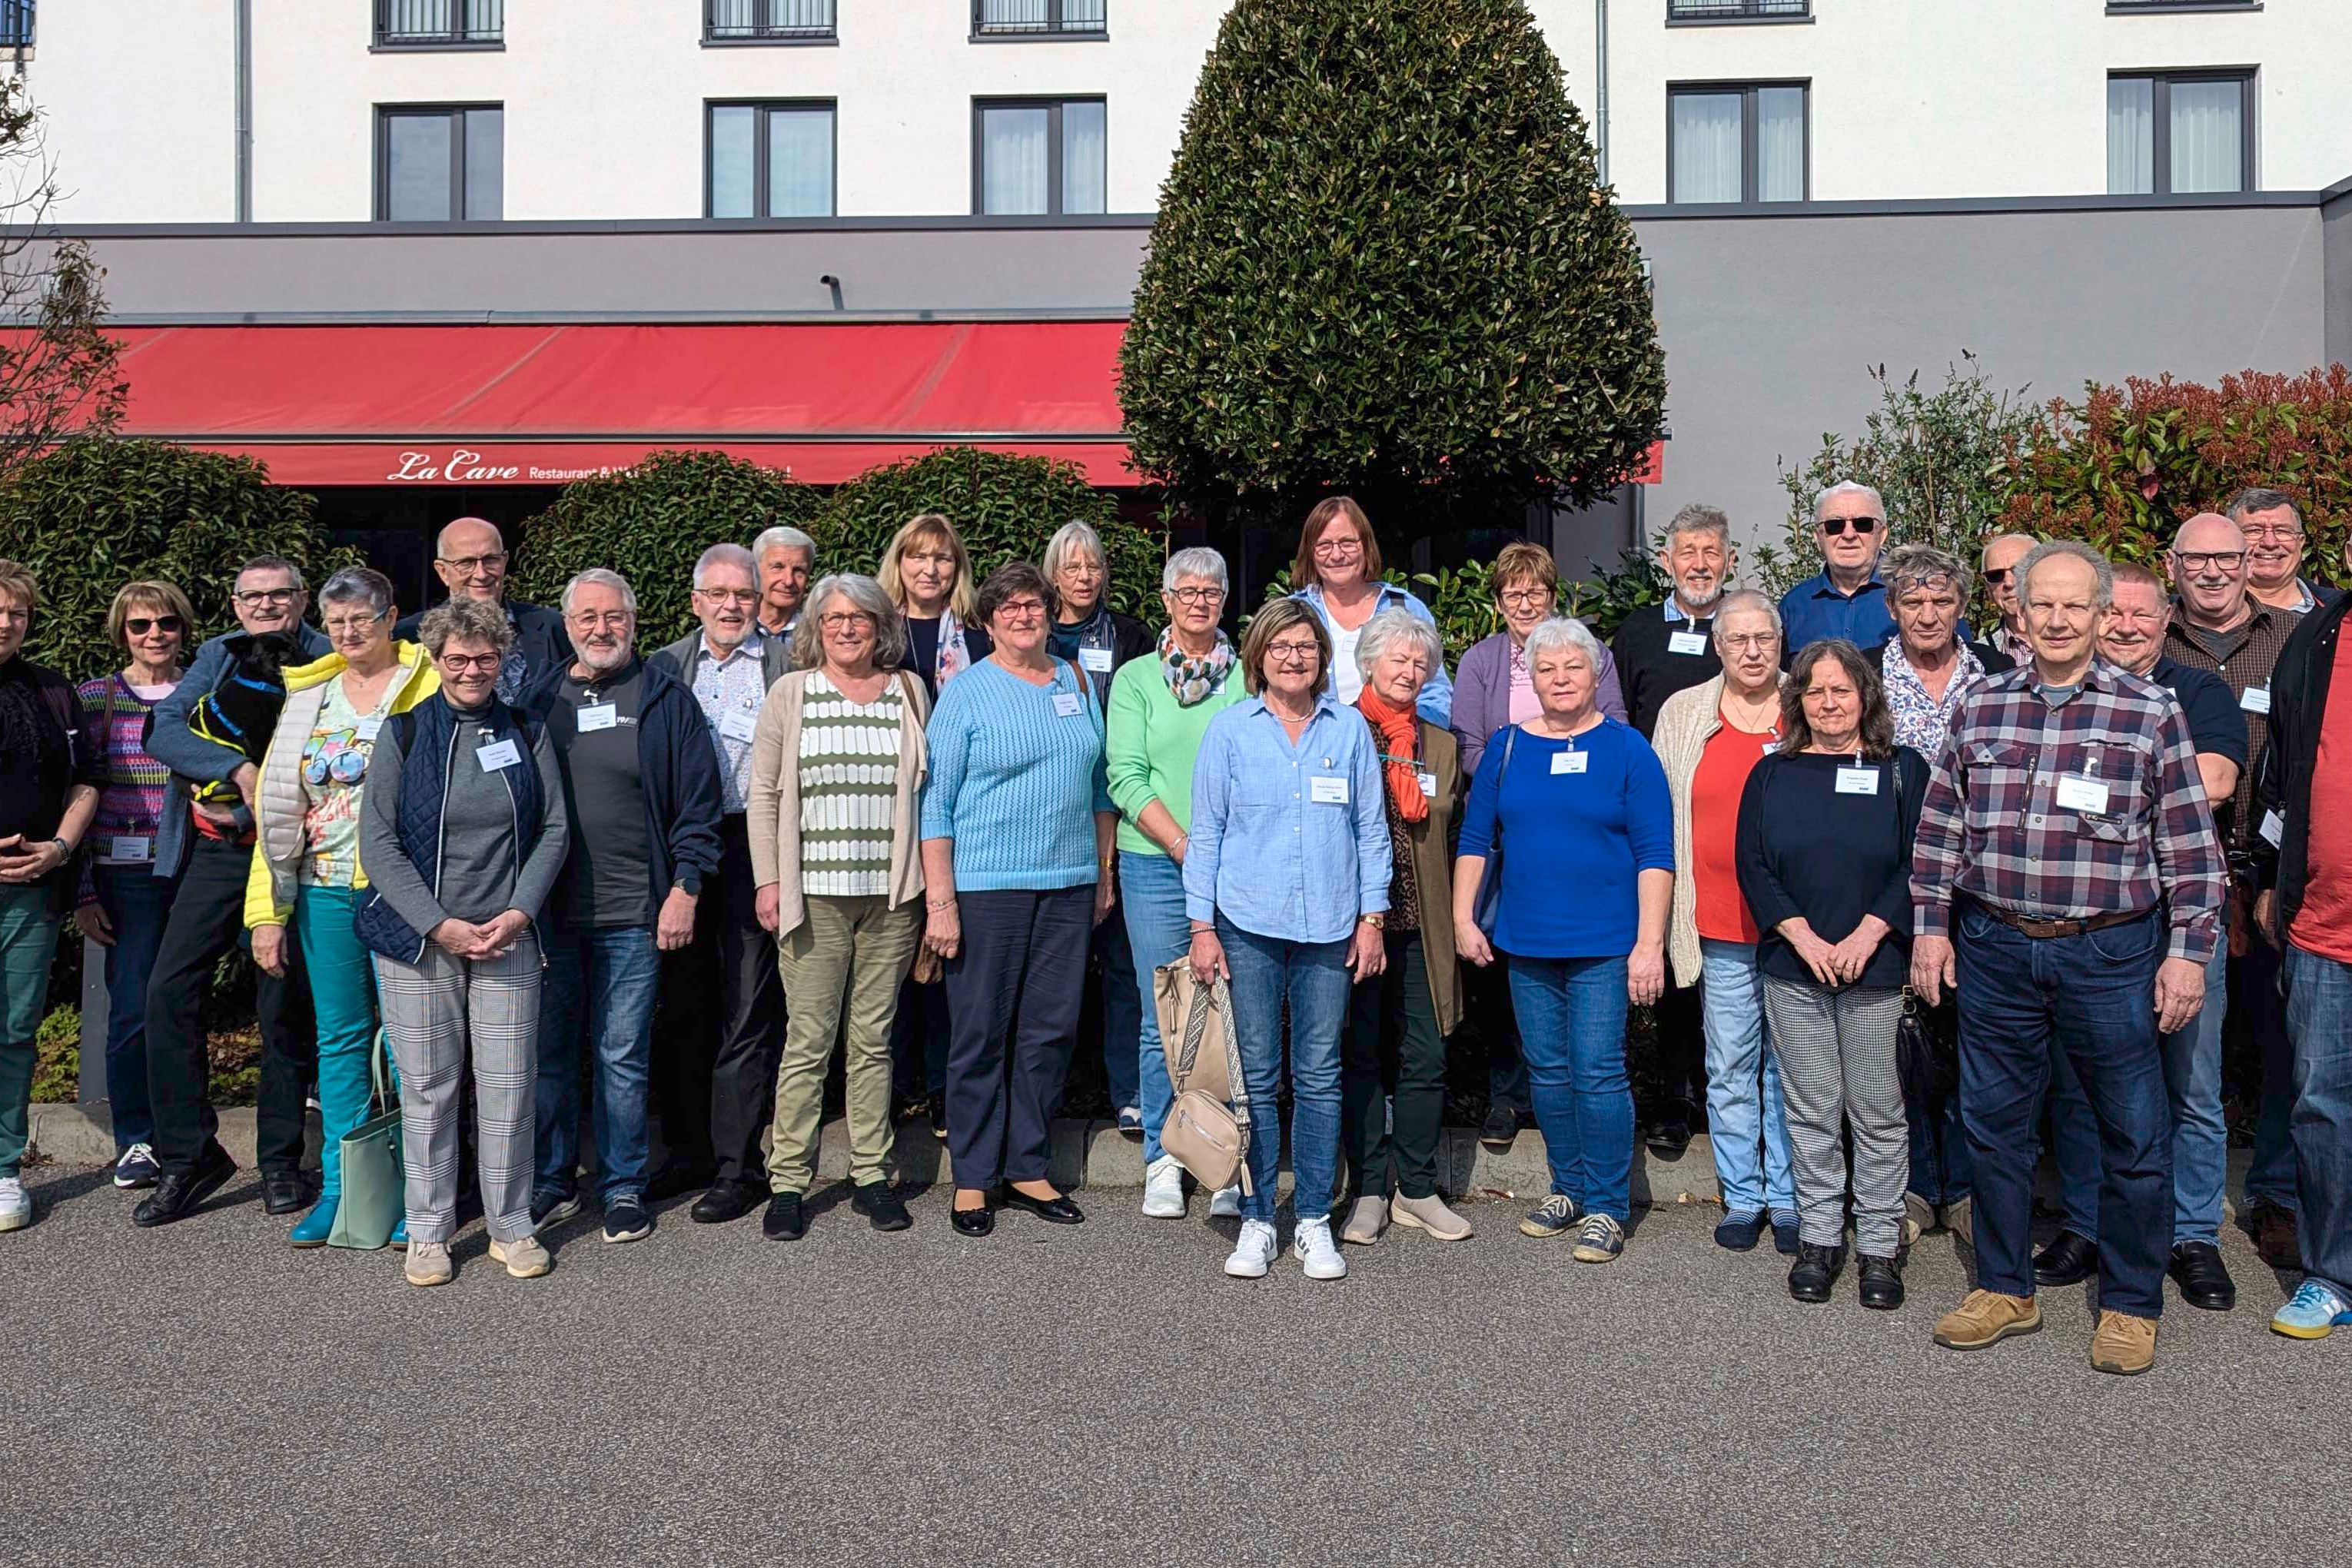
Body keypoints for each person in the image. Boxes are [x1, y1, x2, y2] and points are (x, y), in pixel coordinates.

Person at [1913, 540, 2225, 1377]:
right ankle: (2007, 1288)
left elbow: (2193, 852)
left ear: (2100, 616)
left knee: (2132, 1131)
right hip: (1996, 945)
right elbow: (1943, 825)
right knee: (1995, 1126)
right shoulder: (1981, 706)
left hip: (2111, 952)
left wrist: (2188, 955)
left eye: (2074, 606)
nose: (2055, 619)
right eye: (2039, 604)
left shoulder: (2148, 711)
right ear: (2016, 610)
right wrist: (1932, 927)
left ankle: (2129, 1302)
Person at [2040, 561, 2247, 1311]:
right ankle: (2089, 1224)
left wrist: (2124, 776)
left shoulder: (2198, 692)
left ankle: (2192, 1235)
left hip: (2180, 919)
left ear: (2167, 622)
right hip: (2090, 924)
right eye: (2114, 615)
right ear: (2096, 619)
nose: (2126, 627)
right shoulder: (2067, 697)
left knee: (2189, 1084)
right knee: (2082, 1083)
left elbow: (2217, 782)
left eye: (2142, 616)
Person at [356, 597, 569, 1287]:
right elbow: (378, 843)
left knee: (508, 1088)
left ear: (502, 660)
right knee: (428, 1088)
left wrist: (520, 911)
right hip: (420, 941)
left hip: (507, 935)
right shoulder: (405, 733)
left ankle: (511, 1225)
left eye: (485, 658)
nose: (472, 669)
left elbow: (555, 831)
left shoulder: (527, 730)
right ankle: (429, 1231)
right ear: (435, 660)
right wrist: (436, 923)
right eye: (458, 658)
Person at [1453, 616, 1673, 1267]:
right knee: (1548, 1072)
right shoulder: (1508, 747)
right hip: (1529, 938)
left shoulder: (1629, 749)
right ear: (1531, 678)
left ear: (1596, 672)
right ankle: (1567, 1188)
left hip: (1607, 942)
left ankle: (1607, 1204)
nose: (1560, 680)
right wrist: (1465, 917)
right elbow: (1475, 839)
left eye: (1573, 667)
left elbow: (1656, 853)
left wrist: (1649, 943)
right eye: (1546, 669)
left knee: (1599, 1071)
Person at [1187, 597, 1390, 1281]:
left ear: (1321, 657)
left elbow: (1371, 830)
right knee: (1258, 1078)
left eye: (1306, 646)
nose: (1294, 657)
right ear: (1258, 658)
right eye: (1280, 647)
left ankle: (1309, 1220)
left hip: (1331, 926)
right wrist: (1202, 926)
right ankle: (1255, 1217)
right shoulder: (1230, 731)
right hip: (1245, 925)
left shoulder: (1350, 729)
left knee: (1321, 1078)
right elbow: (1207, 833)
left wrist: (1371, 919)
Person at [524, 569, 724, 1247]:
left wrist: (685, 887)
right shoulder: (534, 697)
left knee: (621, 1054)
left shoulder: (667, 697)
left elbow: (698, 808)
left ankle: (622, 1187)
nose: (601, 629)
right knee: (549, 1056)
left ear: (634, 622)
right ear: (568, 623)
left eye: (614, 616)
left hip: (636, 912)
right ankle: (551, 1182)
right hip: (546, 915)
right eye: (587, 617)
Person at [244, 567, 437, 1247]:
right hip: (323, 888)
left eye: (362, 618)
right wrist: (267, 911)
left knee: (419, 1043)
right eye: (337, 622)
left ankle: (427, 1191)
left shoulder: (430, 682)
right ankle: (343, 1188)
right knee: (342, 1040)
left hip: (406, 891)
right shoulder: (310, 696)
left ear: (391, 618)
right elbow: (276, 808)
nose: (350, 632)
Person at [921, 562, 1113, 1237]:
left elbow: (1096, 786)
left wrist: (1103, 871)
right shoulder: (967, 692)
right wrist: (939, 902)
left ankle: (1028, 1166)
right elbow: (936, 802)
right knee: (979, 1034)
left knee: (1048, 1031)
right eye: (1010, 609)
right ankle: (973, 1178)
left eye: (1035, 607)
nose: (1024, 617)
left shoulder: (1075, 679)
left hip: (1068, 883)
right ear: (989, 620)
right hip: (986, 887)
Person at [135, 556, 328, 1227]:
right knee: (166, 993)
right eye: (254, 596)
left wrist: (254, 807)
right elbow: (164, 730)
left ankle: (279, 1160)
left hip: (294, 853)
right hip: (217, 857)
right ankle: (189, 1156)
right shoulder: (218, 654)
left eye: (281, 595)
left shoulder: (331, 657)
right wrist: (236, 768)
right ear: (236, 603)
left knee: (281, 1006)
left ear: (303, 600)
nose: (268, 606)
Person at [1737, 639, 1927, 1307]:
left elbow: (1919, 864)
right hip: (1795, 968)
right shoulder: (1772, 774)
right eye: (1814, 691)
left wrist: (1870, 932)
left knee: (1877, 1111)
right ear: (1798, 702)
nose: (1828, 702)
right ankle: (1821, 1235)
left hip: (1875, 969)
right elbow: (1752, 865)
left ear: (1865, 695)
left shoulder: (1903, 769)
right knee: (1812, 1109)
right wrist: (1803, 936)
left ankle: (1880, 1243)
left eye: (1840, 690)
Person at [748, 574, 929, 1241]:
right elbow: (764, 794)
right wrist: (769, 881)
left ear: (881, 627)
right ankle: (789, 1182)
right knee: (807, 1043)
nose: (847, 628)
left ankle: (871, 1175)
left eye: (860, 618)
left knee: (873, 1041)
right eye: (834, 619)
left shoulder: (910, 691)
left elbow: (926, 789)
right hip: (813, 897)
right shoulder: (790, 694)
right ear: (816, 628)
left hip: (890, 897)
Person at [2159, 510, 2304, 1272]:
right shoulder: (2151, 638)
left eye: (2227, 557)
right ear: (2172, 565)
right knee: (2189, 1052)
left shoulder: (2293, 639)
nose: (2212, 571)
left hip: (2273, 872)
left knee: (2283, 1043)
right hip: (2189, 876)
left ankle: (2274, 1194)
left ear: (2249, 562)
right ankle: (2173, 1208)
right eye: (2196, 559)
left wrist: (2278, 876)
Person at [1450, 541, 1627, 1151]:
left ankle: (1581, 1105)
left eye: (1536, 592)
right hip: (1508, 831)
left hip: (1579, 835)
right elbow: (1468, 746)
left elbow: (1617, 727)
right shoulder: (1479, 662)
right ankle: (1509, 1094)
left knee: (1583, 988)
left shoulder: (1589, 653)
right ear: (1498, 603)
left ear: (1555, 596)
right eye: (1513, 593)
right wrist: (1525, 770)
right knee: (1509, 965)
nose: (1525, 603)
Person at [648, 543, 794, 1222]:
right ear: (697, 601)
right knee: (680, 1004)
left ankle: (740, 1166)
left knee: (746, 1005)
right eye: (720, 594)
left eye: (744, 594)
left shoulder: (788, 664)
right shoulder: (662, 668)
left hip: (754, 846)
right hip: (680, 852)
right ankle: (686, 1153)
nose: (733, 606)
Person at [1653, 590, 1797, 1254]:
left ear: (1779, 639)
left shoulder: (1809, 707)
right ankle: (1742, 1197)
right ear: (1718, 645)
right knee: (1732, 1065)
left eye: (1763, 637)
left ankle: (1795, 1198)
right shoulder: (1684, 713)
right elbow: (1660, 821)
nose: (1751, 650)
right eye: (1737, 639)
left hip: (1798, 929)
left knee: (1795, 1069)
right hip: (1719, 922)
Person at [1106, 548, 1247, 1221]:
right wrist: (1187, 847)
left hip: (1241, 865)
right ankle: (1164, 1157)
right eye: (1186, 591)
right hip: (1156, 861)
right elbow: (1125, 777)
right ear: (1165, 600)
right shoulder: (1135, 679)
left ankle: (1222, 1158)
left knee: (1231, 1011)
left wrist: (1217, 854)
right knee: (1163, 1008)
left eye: (1211, 591)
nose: (1199, 601)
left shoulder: (1248, 677)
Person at [1338, 610, 1472, 1245]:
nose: (1411, 672)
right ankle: (1368, 1188)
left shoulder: (1439, 746)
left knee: (1425, 1053)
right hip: (1351, 926)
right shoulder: (1337, 731)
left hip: (1422, 925)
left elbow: (1454, 836)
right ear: (1369, 664)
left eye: (1421, 663)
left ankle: (1415, 1188)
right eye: (1398, 660)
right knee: (1360, 1053)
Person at [2249, 553, 2352, 1337]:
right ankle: (2331, 1274)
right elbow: (2281, 771)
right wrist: (2264, 878)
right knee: (2322, 1108)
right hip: (2323, 924)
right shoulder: (2317, 637)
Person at [73, 579, 194, 1191]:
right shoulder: (96, 699)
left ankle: (187, 1136)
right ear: (121, 631)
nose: (154, 636)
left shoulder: (206, 693)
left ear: (183, 628)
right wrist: (85, 892)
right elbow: (78, 798)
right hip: (125, 874)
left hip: (199, 865)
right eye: (140, 626)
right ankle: (138, 1139)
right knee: (133, 1008)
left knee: (181, 1005)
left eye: (166, 624)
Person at [878, 512, 991, 1131]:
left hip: (959, 813)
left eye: (943, 559)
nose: (930, 569)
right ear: (899, 563)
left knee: (952, 953)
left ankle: (947, 1089)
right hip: (888, 814)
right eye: (918, 557)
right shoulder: (874, 633)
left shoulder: (976, 637)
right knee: (894, 958)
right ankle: (897, 1089)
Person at [0, 561, 102, 1233]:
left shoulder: (52, 691)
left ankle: (4, 1167)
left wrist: (58, 850)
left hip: (31, 889)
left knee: (12, 1030)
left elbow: (86, 782)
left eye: (18, 614)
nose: (7, 623)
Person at [1042, 520, 1152, 1134]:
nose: (1084, 577)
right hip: (1048, 817)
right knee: (1054, 970)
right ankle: (1052, 1088)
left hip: (1117, 810)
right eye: (1072, 566)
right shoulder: (1027, 633)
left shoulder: (1132, 637)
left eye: (1093, 567)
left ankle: (1129, 1089)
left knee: (1122, 964)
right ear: (1054, 573)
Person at [1288, 496, 1453, 725]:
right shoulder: (1292, 614)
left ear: (1366, 546)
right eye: (1324, 545)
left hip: (1393, 751)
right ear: (1310, 552)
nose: (1337, 555)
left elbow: (1435, 694)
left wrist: (1409, 738)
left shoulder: (1405, 608)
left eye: (1347, 543)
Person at [391, 517, 567, 703]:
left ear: (505, 561)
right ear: (443, 571)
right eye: (466, 563)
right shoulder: (411, 636)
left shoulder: (551, 626)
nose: (481, 574)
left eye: (490, 560)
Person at [1869, 543, 2015, 754]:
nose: (1928, 618)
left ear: (1962, 606)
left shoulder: (1997, 668)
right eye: (1912, 603)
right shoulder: (1865, 672)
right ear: (1892, 608)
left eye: (1942, 602)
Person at [1611, 505, 1734, 739]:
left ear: (1730, 562)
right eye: (1687, 553)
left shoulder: (1750, 632)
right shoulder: (1636, 631)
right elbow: (1619, 714)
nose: (1700, 565)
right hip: (1654, 770)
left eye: (1711, 553)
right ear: (1667, 562)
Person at [1779, 481, 1896, 653]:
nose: (1849, 535)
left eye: (1863, 524)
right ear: (1818, 538)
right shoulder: (1794, 606)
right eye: (1834, 526)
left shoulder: (1910, 595)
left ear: (1882, 535)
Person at [2229, 487, 2340, 617]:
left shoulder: (2340, 611)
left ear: (2300, 542)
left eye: (2282, 531)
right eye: (2254, 530)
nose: (2270, 543)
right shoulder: (2207, 616)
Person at [1979, 533, 2038, 664]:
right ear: (1988, 589)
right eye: (1995, 575)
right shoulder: (1977, 659)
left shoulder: (2083, 640)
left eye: (2019, 570)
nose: (2009, 583)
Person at [751, 524, 817, 637]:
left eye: (798, 570)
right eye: (778, 567)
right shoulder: (729, 629)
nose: (789, 581)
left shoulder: (816, 638)